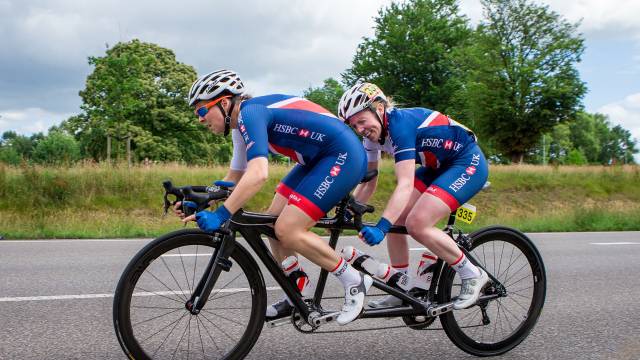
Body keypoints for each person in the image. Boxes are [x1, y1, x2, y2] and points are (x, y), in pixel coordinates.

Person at [183, 69, 371, 325]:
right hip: (315, 160)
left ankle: (354, 279)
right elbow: (235, 176)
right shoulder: (240, 124)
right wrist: (202, 197)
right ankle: (296, 290)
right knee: (271, 222)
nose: (200, 119)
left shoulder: (250, 113)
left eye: (202, 111)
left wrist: (222, 214)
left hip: (342, 154)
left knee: (288, 229)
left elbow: (258, 173)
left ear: (224, 102)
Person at [338, 82, 489, 310]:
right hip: (436, 166)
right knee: (398, 219)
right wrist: (348, 211)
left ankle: (473, 274)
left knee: (417, 223)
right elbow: (370, 181)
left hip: (466, 162)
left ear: (379, 108)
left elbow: (405, 185)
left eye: (362, 121)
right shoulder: (371, 137)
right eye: (353, 125)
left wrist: (381, 226)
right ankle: (402, 288)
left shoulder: (400, 126)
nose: (360, 129)